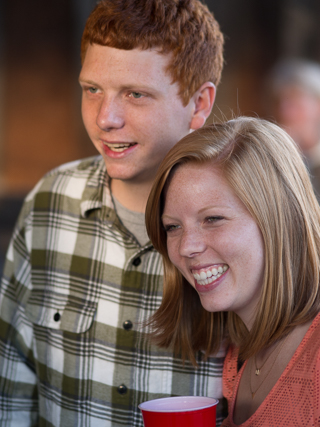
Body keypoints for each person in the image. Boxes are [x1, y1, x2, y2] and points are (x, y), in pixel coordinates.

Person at [0, 0, 225, 426]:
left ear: (198, 103)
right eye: (92, 89)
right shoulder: (51, 199)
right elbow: (11, 375)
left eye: (136, 94)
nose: (106, 118)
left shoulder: (244, 227)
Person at [145, 116, 320, 426]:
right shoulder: (237, 351)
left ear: (279, 217)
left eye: (212, 219)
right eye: (172, 227)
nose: (187, 247)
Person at [266, 58, 320, 199]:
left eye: (295, 102)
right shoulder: (271, 153)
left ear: (318, 105)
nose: (284, 112)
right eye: (280, 102)